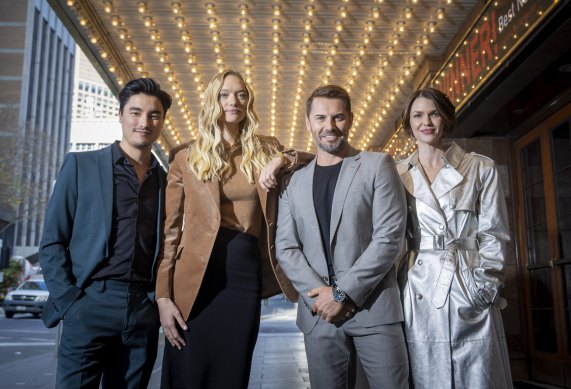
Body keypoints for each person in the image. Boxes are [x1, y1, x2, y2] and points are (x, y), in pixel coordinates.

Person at [155, 69, 311, 389]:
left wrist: (280, 161)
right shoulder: (186, 156)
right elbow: (170, 232)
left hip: (243, 273)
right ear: (213, 100)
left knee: (232, 370)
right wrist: (162, 297)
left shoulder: (266, 149)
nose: (233, 101)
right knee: (188, 369)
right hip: (195, 277)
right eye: (225, 94)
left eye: (241, 94)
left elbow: (311, 158)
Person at [39, 78, 172, 388]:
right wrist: (70, 301)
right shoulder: (81, 166)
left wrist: (154, 301)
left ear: (163, 120)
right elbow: (52, 241)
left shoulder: (167, 182)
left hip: (141, 309)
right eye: (136, 112)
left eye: (154, 115)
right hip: (89, 302)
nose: (144, 122)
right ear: (121, 115)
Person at [275, 85, 409, 389]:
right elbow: (285, 247)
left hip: (375, 309)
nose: (329, 126)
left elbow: (389, 238)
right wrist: (322, 297)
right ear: (308, 122)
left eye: (338, 117)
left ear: (350, 119)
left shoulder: (378, 165)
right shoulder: (293, 183)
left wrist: (342, 294)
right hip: (318, 316)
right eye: (320, 118)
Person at [396, 87, 513, 388]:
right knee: (425, 372)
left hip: (468, 280)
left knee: (477, 375)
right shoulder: (397, 173)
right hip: (417, 285)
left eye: (434, 113)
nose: (427, 122)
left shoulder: (479, 167)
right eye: (418, 115)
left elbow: (494, 232)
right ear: (408, 123)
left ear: (446, 117)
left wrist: (484, 287)